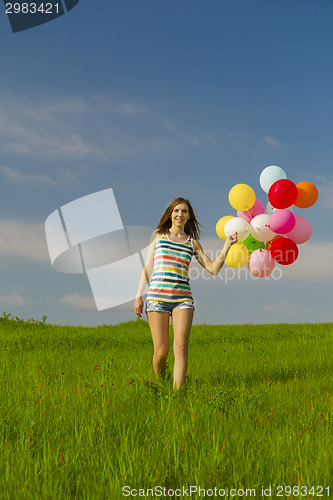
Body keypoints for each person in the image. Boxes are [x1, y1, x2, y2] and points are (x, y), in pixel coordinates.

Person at [134, 197, 237, 391]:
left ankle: (177, 395)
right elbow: (148, 266)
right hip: (157, 298)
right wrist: (139, 295)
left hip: (183, 300)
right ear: (170, 214)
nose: (180, 214)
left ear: (189, 217)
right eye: (176, 211)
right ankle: (160, 382)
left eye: (184, 211)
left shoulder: (192, 243)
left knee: (181, 348)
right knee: (161, 352)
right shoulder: (158, 236)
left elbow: (213, 268)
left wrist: (227, 246)